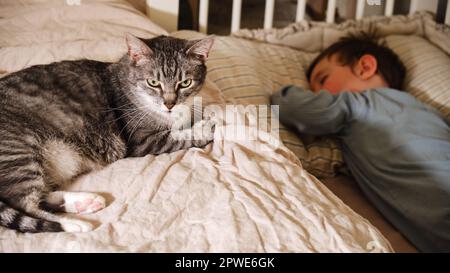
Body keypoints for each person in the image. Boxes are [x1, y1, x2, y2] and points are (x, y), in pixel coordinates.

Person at [270, 34, 450, 252]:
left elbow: (291, 107)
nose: (317, 94)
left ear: (365, 67)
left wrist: (283, 92)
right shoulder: (425, 109)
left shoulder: (356, 103)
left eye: (322, 79)